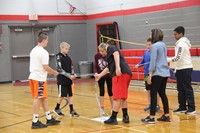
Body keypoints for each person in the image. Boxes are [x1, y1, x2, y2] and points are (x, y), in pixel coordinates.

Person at [95, 40, 132, 125]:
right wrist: (100, 75)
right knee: (122, 96)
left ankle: (113, 117)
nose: (102, 52)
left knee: (117, 97)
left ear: (106, 46)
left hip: (120, 74)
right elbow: (108, 68)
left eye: (103, 50)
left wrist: (118, 67)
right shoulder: (110, 58)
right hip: (126, 74)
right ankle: (125, 116)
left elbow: (116, 53)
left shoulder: (111, 47)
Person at [29, 31, 61, 129]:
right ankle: (35, 121)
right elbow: (45, 67)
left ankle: (49, 118)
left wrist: (48, 72)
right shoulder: (43, 52)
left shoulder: (33, 50)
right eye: (47, 40)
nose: (47, 42)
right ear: (43, 40)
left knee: (44, 98)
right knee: (38, 98)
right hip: (39, 79)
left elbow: (40, 66)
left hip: (35, 77)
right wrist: (54, 72)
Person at [141, 29, 170, 124]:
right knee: (162, 94)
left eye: (151, 34)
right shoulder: (163, 45)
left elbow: (153, 62)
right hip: (165, 73)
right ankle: (166, 115)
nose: (150, 35)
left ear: (154, 35)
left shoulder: (154, 46)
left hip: (157, 73)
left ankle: (151, 117)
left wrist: (150, 75)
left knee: (153, 94)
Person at [167, 26, 196, 114]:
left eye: (175, 34)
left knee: (187, 89)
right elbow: (179, 59)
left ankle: (192, 107)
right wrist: (176, 69)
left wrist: (166, 59)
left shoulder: (182, 44)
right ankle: (182, 106)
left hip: (185, 68)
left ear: (181, 34)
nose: (174, 36)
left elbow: (177, 58)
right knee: (180, 89)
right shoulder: (179, 43)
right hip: (180, 68)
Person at [53, 42, 79, 117]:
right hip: (62, 79)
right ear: (62, 48)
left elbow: (71, 67)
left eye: (68, 49)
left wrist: (73, 74)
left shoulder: (69, 57)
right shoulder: (58, 56)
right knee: (62, 95)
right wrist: (68, 75)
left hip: (69, 79)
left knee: (70, 94)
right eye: (66, 49)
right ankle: (57, 108)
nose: (67, 50)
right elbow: (59, 69)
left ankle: (71, 110)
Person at [135, 38, 160, 111]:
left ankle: (157, 105)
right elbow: (142, 61)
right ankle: (150, 104)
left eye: (150, 45)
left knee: (156, 90)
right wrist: (138, 65)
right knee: (148, 89)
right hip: (146, 74)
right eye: (147, 45)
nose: (148, 46)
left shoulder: (155, 53)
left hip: (154, 74)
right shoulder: (146, 53)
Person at [94, 43, 113, 116]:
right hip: (100, 76)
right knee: (101, 91)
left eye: (102, 51)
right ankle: (102, 108)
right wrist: (95, 73)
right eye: (100, 51)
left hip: (108, 75)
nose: (101, 53)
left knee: (110, 91)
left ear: (106, 50)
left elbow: (109, 67)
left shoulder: (109, 56)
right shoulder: (97, 56)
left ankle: (112, 107)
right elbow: (95, 65)